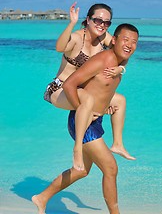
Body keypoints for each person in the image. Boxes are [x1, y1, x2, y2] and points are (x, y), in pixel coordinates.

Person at [32, 23, 139, 214]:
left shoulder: (120, 61)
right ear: (113, 40)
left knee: (82, 171)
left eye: (134, 42)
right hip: (84, 123)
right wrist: (83, 109)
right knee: (111, 168)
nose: (130, 44)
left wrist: (120, 72)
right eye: (125, 39)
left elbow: (103, 87)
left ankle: (42, 198)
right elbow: (70, 84)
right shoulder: (102, 59)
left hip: (95, 120)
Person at [44, 2, 135, 171]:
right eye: (98, 20)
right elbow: (59, 48)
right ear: (88, 20)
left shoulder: (104, 38)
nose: (102, 25)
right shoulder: (78, 37)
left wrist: (121, 68)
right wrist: (71, 23)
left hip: (81, 90)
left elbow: (124, 51)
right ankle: (77, 149)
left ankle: (118, 144)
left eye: (106, 22)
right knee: (87, 100)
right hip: (61, 90)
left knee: (119, 100)